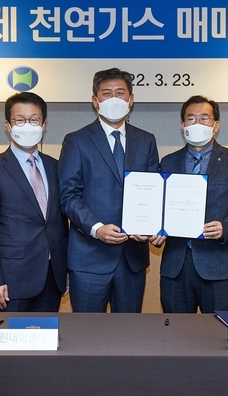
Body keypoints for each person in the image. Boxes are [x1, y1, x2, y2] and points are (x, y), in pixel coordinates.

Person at [58, 67, 164, 313]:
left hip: (132, 258)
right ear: (95, 101)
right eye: (106, 93)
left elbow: (153, 191)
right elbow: (68, 196)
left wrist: (153, 227)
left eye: (120, 93)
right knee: (87, 332)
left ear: (131, 99)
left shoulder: (146, 140)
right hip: (89, 258)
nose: (114, 99)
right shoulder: (76, 140)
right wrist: (97, 228)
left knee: (128, 332)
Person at [159, 95, 228, 313]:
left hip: (217, 266)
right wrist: (155, 229)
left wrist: (225, 227)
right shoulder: (168, 162)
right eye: (191, 118)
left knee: (217, 330)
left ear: (216, 125)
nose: (197, 123)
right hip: (175, 266)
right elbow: (159, 207)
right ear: (182, 125)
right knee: (175, 330)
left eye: (204, 118)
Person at [0, 92, 68, 312]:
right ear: (8, 125)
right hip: (10, 282)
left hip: (52, 277)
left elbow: (60, 223)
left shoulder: (56, 167)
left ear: (43, 125)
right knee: (11, 334)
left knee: (48, 334)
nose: (28, 126)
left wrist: (65, 270)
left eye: (34, 120)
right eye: (20, 120)